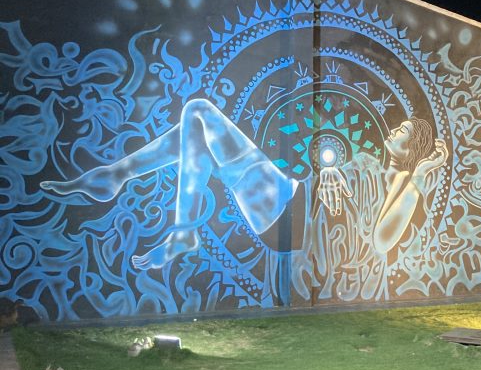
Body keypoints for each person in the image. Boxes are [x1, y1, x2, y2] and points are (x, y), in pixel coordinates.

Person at [41, 97, 447, 268]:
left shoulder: (404, 184)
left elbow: (380, 240)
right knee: (195, 129)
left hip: (292, 216)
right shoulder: (367, 163)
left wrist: (420, 180)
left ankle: (137, 194)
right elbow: (339, 175)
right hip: (292, 195)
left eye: (405, 130)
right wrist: (329, 170)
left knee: (198, 111)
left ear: (415, 147)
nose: (395, 128)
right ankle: (118, 178)